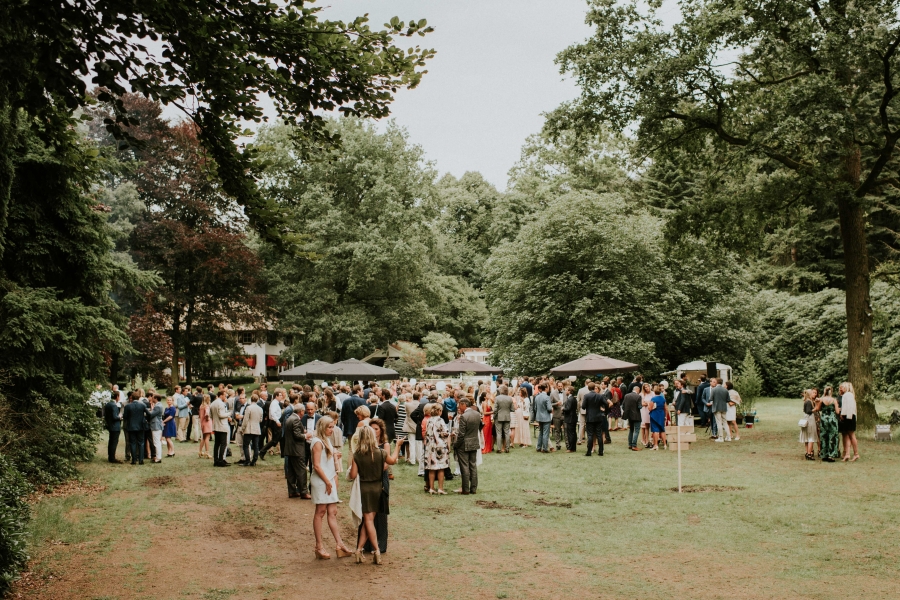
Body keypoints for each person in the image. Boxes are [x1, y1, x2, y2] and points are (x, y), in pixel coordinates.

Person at [350, 426, 404, 565]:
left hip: (364, 489)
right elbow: (392, 461)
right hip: (377, 488)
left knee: (367, 521)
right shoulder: (380, 453)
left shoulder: (357, 455)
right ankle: (360, 550)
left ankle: (375, 550)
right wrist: (397, 446)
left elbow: (353, 475)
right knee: (369, 521)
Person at [310, 416, 353, 560]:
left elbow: (326, 460)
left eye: (333, 426)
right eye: (329, 427)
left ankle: (339, 544)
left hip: (329, 479)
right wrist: (327, 482)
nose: (332, 429)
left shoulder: (326, 441)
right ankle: (319, 546)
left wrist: (335, 457)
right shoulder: (317, 442)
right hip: (322, 480)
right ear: (322, 427)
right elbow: (316, 465)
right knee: (320, 511)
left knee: (332, 511)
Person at [453, 398, 481, 495]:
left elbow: (461, 434)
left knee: (464, 466)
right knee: (473, 465)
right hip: (474, 442)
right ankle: (473, 488)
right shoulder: (477, 414)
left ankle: (466, 489)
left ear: (464, 404)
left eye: (459, 405)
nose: (459, 407)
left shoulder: (464, 416)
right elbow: (481, 426)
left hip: (464, 444)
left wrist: (455, 445)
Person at [284, 401, 311, 499]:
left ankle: (292, 491)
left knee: (291, 472)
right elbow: (296, 435)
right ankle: (303, 492)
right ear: (301, 411)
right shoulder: (296, 420)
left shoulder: (290, 418)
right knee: (301, 471)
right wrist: (305, 435)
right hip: (297, 449)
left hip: (289, 449)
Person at [424, 404, 451, 494]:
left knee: (431, 468)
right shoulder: (440, 420)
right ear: (439, 411)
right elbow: (445, 432)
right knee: (441, 467)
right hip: (439, 446)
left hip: (430, 446)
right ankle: (440, 488)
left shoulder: (429, 420)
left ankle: (431, 488)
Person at [582, 382, 607, 457]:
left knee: (590, 435)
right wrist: (600, 407)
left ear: (588, 388)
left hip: (590, 417)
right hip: (598, 417)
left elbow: (583, 406)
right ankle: (601, 451)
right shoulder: (599, 396)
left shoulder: (586, 396)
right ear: (594, 387)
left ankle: (589, 452)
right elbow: (606, 403)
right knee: (599, 434)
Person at [123, 392, 149, 465]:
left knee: (132, 443)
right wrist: (145, 420)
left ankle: (134, 460)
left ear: (132, 397)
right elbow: (148, 414)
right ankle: (141, 460)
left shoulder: (127, 406)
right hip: (140, 426)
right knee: (141, 443)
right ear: (139, 397)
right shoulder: (142, 405)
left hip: (131, 426)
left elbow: (125, 417)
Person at [817, 386, 840, 462]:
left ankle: (824, 454)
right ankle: (831, 455)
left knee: (823, 436)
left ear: (825, 391)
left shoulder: (821, 399)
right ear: (831, 392)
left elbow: (819, 409)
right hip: (832, 419)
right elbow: (837, 412)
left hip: (824, 419)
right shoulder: (834, 400)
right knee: (832, 436)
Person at [240, 394, 263, 466]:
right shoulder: (260, 409)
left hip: (249, 428)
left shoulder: (249, 408)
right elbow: (260, 420)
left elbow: (245, 419)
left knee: (246, 445)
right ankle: (254, 460)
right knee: (256, 446)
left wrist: (243, 428)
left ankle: (247, 460)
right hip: (256, 428)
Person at [839, 382, 859, 462]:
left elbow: (849, 407)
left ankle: (856, 453)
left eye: (842, 387)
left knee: (851, 435)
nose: (841, 389)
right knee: (848, 435)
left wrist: (845, 416)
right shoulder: (847, 395)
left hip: (849, 417)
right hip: (847, 416)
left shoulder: (848, 395)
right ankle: (847, 453)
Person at [532, 383, 553, 453]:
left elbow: (535, 408)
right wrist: (551, 410)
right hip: (546, 417)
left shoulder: (537, 397)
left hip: (539, 417)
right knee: (545, 433)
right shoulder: (547, 397)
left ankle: (538, 447)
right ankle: (545, 448)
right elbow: (549, 408)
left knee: (541, 432)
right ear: (546, 388)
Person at [709, 378, 731, 442]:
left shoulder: (714, 389)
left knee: (719, 423)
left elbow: (710, 398)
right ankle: (728, 437)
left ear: (716, 382)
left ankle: (721, 437)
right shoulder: (725, 390)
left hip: (716, 407)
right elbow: (728, 400)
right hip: (724, 407)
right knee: (725, 422)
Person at [103, 392, 123, 463]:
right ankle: (112, 458)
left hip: (110, 425)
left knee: (111, 441)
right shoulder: (114, 405)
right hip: (115, 427)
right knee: (114, 442)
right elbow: (115, 417)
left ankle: (110, 456)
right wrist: (120, 417)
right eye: (119, 396)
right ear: (117, 397)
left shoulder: (108, 404)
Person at [621, 387, 642, 451]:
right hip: (636, 415)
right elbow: (639, 406)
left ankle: (630, 444)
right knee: (637, 430)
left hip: (629, 415)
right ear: (637, 390)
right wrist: (643, 404)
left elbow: (623, 406)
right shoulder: (638, 396)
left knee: (631, 430)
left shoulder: (626, 396)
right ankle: (634, 445)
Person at [493, 385, 514, 453]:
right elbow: (512, 409)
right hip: (507, 417)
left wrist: (494, 416)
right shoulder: (510, 398)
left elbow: (495, 409)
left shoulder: (497, 398)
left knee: (499, 433)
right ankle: (507, 448)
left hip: (498, 417)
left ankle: (499, 449)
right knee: (507, 433)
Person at [799, 389, 818, 460]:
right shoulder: (809, 402)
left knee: (807, 438)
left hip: (806, 419)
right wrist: (815, 409)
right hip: (810, 420)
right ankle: (809, 453)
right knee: (811, 437)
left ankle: (807, 452)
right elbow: (808, 411)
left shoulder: (806, 401)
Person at [402, 393, 420, 464]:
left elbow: (405, 412)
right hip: (418, 425)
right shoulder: (420, 404)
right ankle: (418, 459)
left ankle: (412, 460)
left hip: (410, 425)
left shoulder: (407, 405)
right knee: (418, 444)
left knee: (411, 443)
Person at [648, 384, 668, 450]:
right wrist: (665, 416)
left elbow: (650, 408)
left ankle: (656, 445)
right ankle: (665, 445)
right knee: (662, 430)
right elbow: (665, 408)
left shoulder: (653, 398)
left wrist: (649, 406)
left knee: (655, 430)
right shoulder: (663, 398)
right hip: (661, 414)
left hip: (654, 414)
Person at [147, 394, 164, 463]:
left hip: (156, 425)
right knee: (157, 442)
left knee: (156, 443)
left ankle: (158, 458)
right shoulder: (158, 405)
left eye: (153, 398)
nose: (152, 399)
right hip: (157, 425)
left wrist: (146, 410)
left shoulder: (157, 406)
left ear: (156, 398)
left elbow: (151, 414)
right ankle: (158, 457)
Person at [549, 382, 566, 451]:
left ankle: (567, 445)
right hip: (556, 414)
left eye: (561, 386)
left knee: (566, 430)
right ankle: (558, 445)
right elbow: (549, 404)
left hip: (565, 414)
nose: (560, 387)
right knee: (557, 430)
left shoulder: (565, 393)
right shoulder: (552, 394)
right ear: (556, 386)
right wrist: (556, 403)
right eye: (559, 386)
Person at [562, 385, 579, 451]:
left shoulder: (570, 399)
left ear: (569, 391)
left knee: (570, 434)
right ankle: (573, 448)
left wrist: (563, 408)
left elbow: (568, 409)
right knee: (573, 433)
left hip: (570, 418)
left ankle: (571, 448)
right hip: (573, 418)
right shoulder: (574, 398)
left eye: (566, 390)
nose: (565, 391)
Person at [198, 394, 213, 459]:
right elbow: (207, 414)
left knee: (203, 437)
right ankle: (207, 452)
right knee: (207, 437)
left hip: (202, 422)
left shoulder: (201, 406)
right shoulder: (206, 406)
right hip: (207, 423)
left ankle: (200, 451)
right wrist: (208, 418)